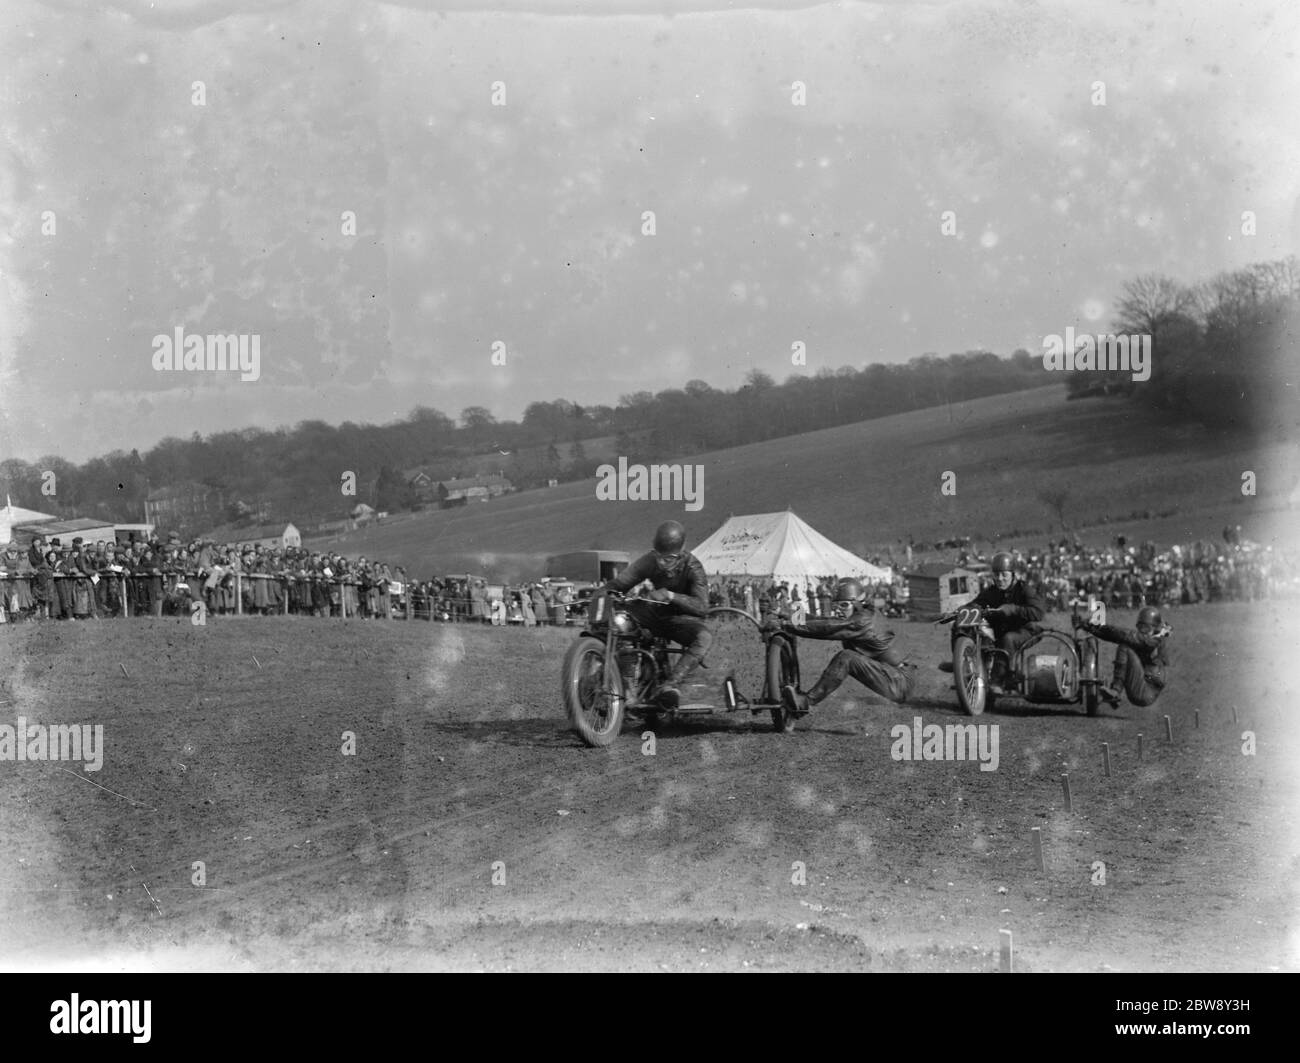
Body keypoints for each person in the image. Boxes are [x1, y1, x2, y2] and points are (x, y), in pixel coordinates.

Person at [600, 520, 712, 709]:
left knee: (704, 637)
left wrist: (671, 595)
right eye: (659, 557)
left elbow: (702, 607)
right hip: (651, 615)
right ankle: (624, 685)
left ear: (682, 552)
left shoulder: (694, 567)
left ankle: (670, 687)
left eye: (668, 559)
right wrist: (599, 595)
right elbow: (620, 583)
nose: (661, 563)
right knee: (619, 622)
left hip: (681, 620)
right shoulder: (650, 560)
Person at [776, 577, 916, 718]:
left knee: (846, 657)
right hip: (893, 675)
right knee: (846, 654)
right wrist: (790, 615)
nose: (838, 610)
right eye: (836, 606)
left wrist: (786, 625)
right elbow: (826, 622)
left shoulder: (863, 621)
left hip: (900, 682)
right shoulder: (859, 615)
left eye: (843, 605)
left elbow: (826, 629)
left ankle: (805, 703)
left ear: (857, 603)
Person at [946, 552, 1045, 687]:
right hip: (999, 630)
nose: (1000, 578)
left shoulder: (1024, 589)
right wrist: (960, 611)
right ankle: (960, 663)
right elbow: (977, 603)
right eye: (997, 574)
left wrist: (1014, 609)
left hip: (1025, 630)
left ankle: (997, 681)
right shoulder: (991, 592)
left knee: (1008, 639)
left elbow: (1038, 613)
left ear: (1012, 574)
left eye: (1004, 575)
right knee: (960, 625)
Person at [1073, 605, 1171, 708]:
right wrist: (1091, 628)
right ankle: (1113, 694)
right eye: (1140, 627)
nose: (1142, 630)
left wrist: (1096, 626)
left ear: (1155, 628)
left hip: (1146, 691)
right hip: (1143, 685)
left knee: (1124, 647)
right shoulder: (1153, 638)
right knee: (1125, 644)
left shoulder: (1154, 640)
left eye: (1146, 627)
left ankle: (1115, 691)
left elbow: (1124, 635)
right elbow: (1116, 636)